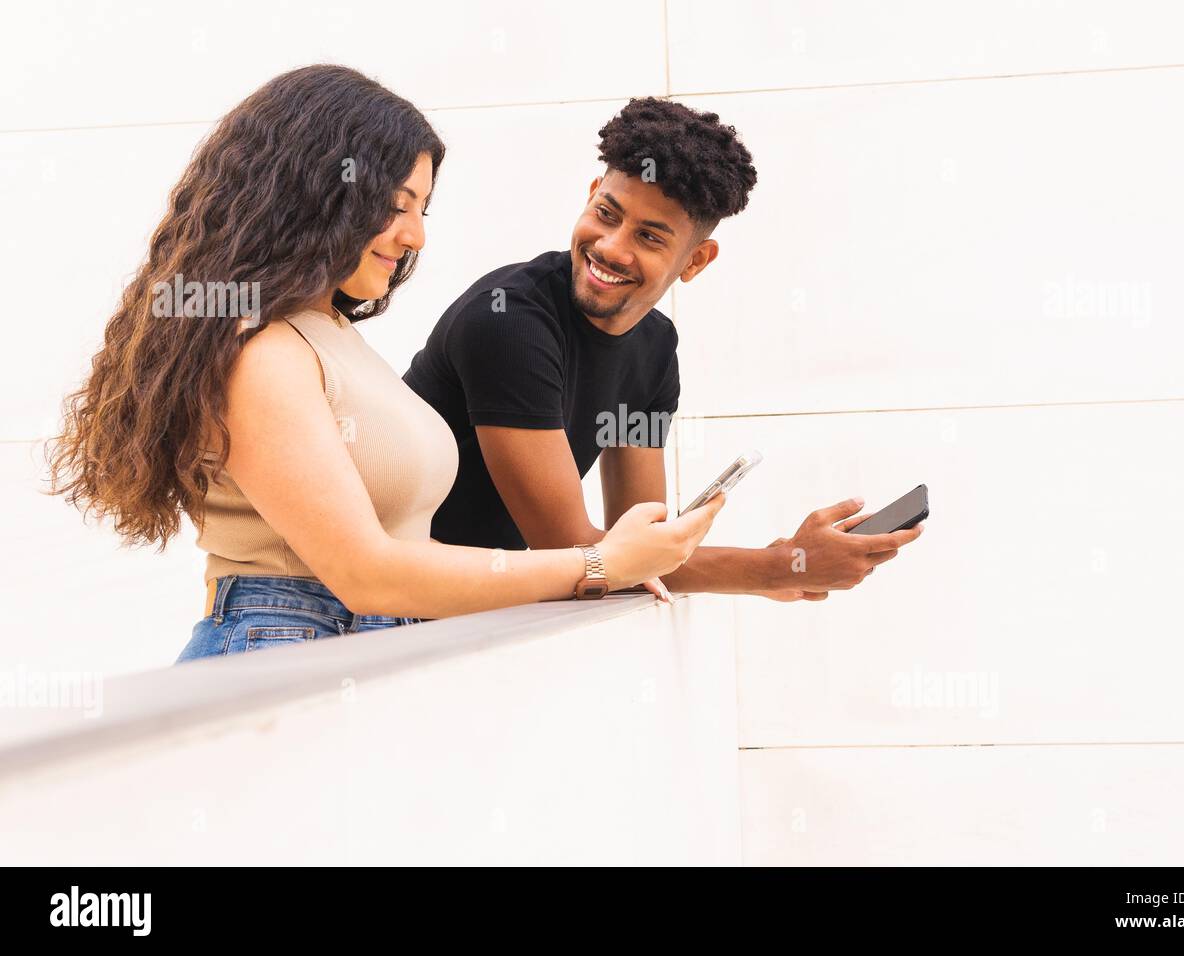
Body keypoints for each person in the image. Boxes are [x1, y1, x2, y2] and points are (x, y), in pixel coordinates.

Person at [46, 67, 722, 663]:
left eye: (422, 209)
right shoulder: (263, 353)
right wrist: (598, 564)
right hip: (279, 649)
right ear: (314, 193)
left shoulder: (330, 336)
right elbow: (365, 572)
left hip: (362, 649)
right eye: (396, 207)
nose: (416, 235)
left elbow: (398, 563)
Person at [403, 98, 921, 603]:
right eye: (606, 213)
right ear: (590, 195)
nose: (610, 246)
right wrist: (778, 567)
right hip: (383, 610)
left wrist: (781, 564)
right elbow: (571, 547)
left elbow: (638, 540)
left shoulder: (654, 349)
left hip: (471, 610)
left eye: (649, 238)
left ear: (695, 261)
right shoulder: (509, 323)